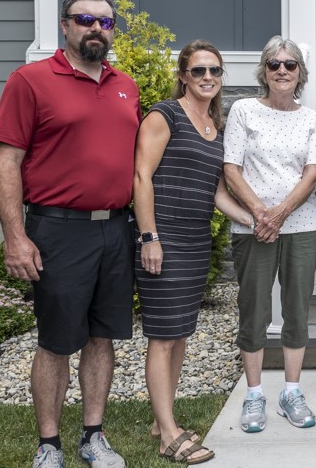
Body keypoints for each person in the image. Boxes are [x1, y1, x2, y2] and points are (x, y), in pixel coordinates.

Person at [0, 0, 140, 468]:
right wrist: (15, 235)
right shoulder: (31, 81)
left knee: (102, 337)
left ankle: (92, 436)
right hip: (58, 229)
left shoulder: (125, 85)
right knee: (55, 340)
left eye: (105, 22)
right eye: (85, 19)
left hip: (116, 230)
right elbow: (6, 161)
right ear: (65, 25)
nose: (96, 29)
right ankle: (49, 445)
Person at [133, 40, 252, 464]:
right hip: (162, 239)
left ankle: (160, 419)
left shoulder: (213, 127)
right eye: (198, 71)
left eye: (215, 71)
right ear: (183, 75)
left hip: (195, 240)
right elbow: (141, 176)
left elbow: (217, 191)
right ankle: (168, 435)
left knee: (180, 332)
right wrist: (149, 237)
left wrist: (255, 219)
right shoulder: (164, 115)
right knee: (163, 337)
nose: (207, 78)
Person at [223, 37, 316, 433]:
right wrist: (260, 213)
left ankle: (291, 392)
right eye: (274, 64)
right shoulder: (244, 110)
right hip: (253, 227)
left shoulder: (311, 118)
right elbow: (231, 168)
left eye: (290, 65)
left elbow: (312, 171)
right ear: (263, 71)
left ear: (300, 73)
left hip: (301, 226)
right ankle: (253, 395)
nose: (282, 70)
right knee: (254, 310)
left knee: (296, 309)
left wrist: (280, 213)